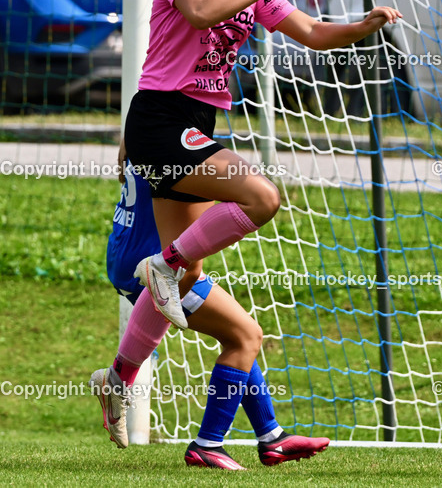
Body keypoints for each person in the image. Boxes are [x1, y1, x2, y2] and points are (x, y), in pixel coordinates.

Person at [92, 0, 401, 468]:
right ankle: (165, 275)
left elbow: (310, 32)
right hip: (163, 119)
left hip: (188, 122)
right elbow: (203, 14)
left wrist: (364, 25)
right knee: (261, 196)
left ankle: (122, 375)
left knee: (191, 284)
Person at [91, 161, 327, 469]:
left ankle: (271, 435)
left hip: (123, 250)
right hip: (154, 262)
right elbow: (191, 258)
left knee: (236, 335)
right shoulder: (190, 156)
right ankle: (208, 444)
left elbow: (126, 165)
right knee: (246, 336)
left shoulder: (146, 128)